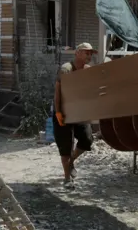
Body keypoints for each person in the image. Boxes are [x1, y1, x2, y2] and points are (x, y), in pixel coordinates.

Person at [52, 42, 97, 189]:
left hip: (79, 111)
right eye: (86, 52)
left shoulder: (88, 71)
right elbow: (58, 92)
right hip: (63, 111)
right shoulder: (66, 69)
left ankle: (71, 161)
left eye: (91, 54)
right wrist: (58, 112)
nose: (89, 56)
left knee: (87, 139)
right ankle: (67, 179)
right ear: (77, 53)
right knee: (65, 146)